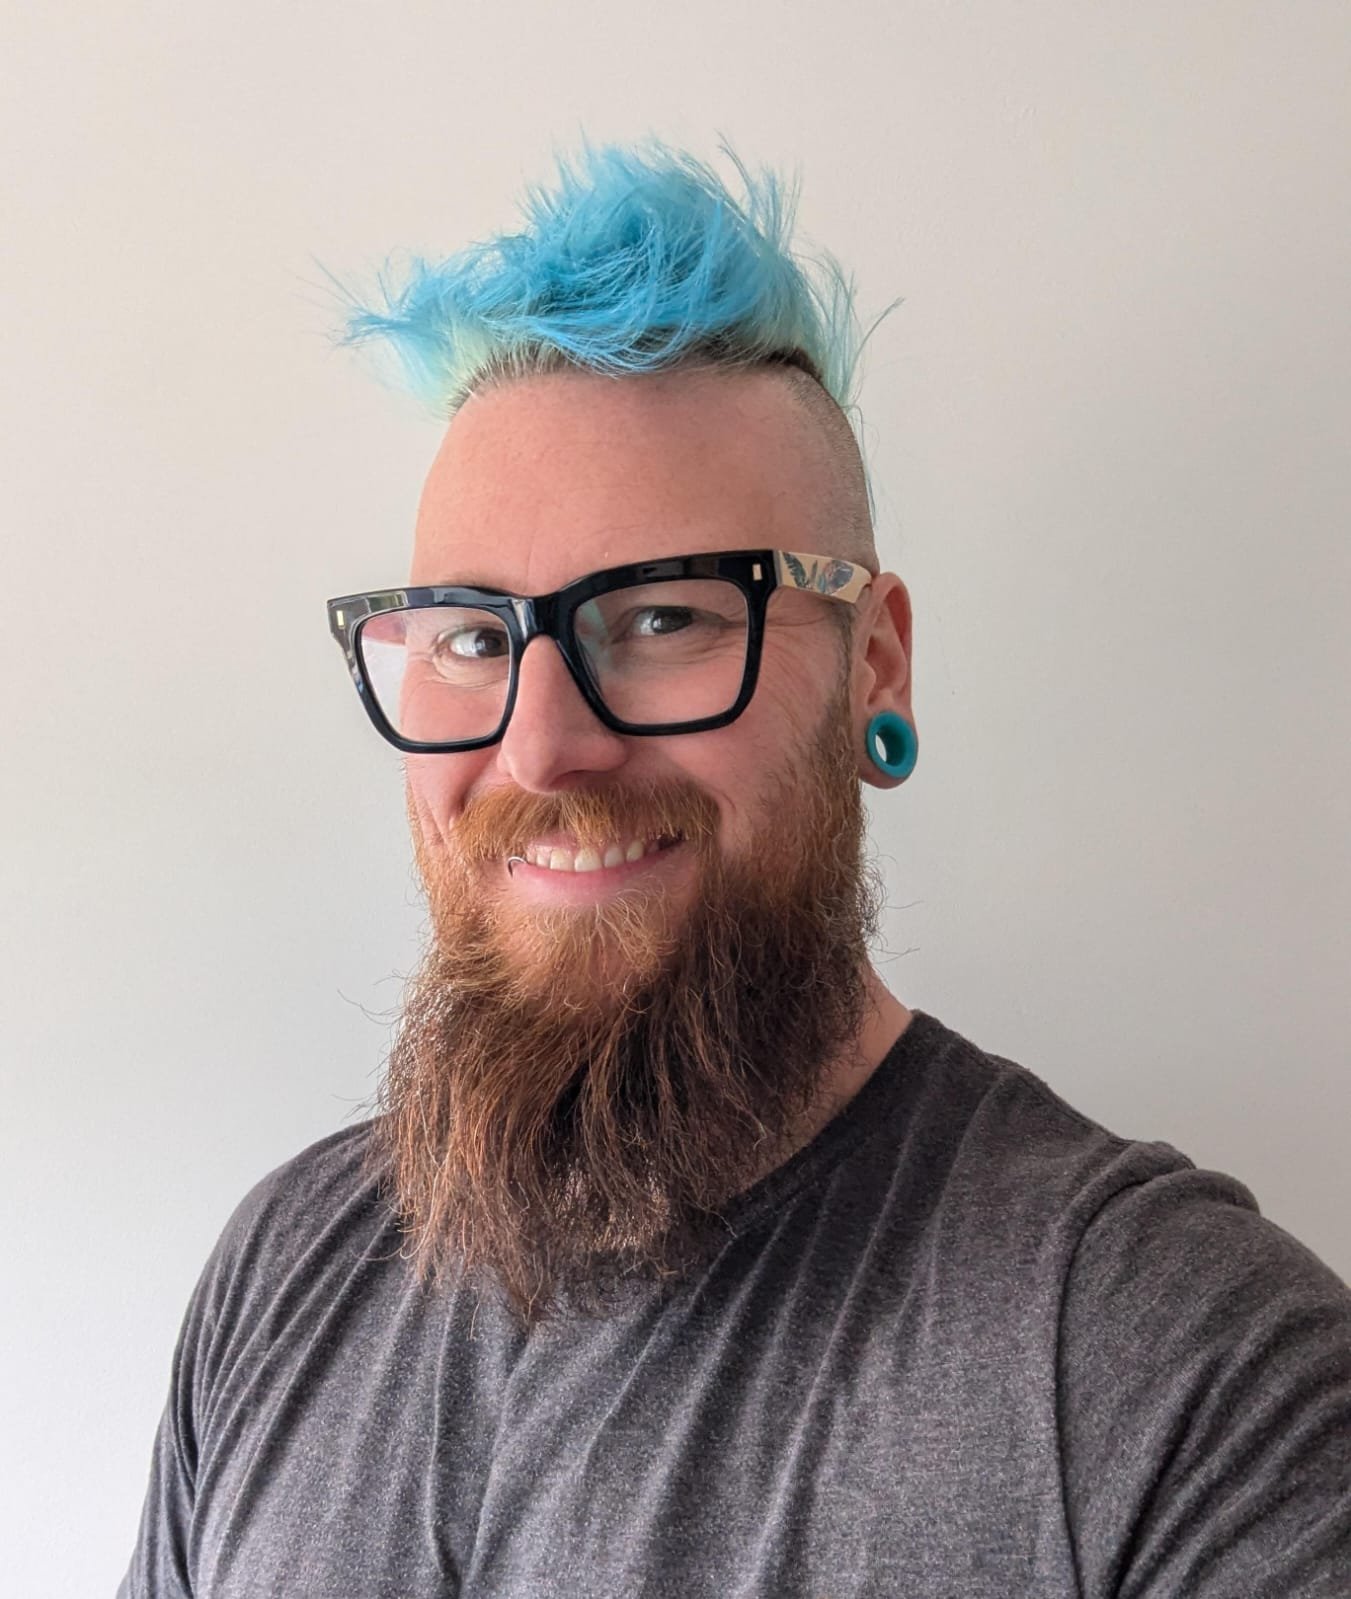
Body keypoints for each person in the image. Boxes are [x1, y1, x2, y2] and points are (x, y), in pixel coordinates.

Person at [120, 143, 1351, 1597]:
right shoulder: (281, 1273)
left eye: (664, 620)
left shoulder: (1183, 1378)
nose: (541, 750)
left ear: (874, 663)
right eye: (473, 637)